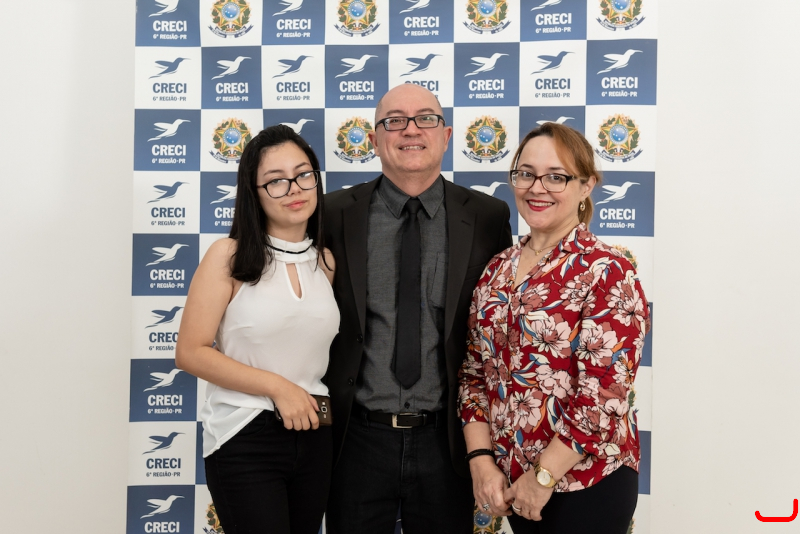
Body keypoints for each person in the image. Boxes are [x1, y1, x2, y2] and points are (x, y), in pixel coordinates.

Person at [323, 83, 513, 533]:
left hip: (448, 442)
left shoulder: (488, 217)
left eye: (426, 118)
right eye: (395, 121)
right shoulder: (331, 213)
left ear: (446, 136)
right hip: (354, 440)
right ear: (374, 140)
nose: (411, 130)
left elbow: (496, 328)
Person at [458, 122, 650, 534]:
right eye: (526, 173)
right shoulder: (496, 269)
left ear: (586, 186)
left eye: (556, 176)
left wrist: (542, 477)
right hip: (514, 485)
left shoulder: (608, 271)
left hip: (586, 485)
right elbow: (474, 374)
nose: (536, 188)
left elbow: (604, 395)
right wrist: (481, 461)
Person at [175, 125, 338, 534]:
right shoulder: (227, 256)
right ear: (254, 192)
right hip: (245, 433)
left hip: (315, 432)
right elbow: (191, 351)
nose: (294, 189)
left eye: (303, 174)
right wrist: (278, 388)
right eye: (276, 181)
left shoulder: (326, 262)